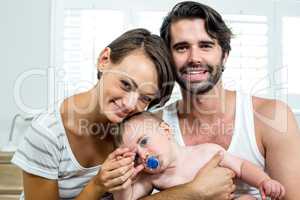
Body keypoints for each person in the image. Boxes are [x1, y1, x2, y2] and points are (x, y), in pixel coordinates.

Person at [141, 1, 300, 199]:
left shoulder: (271, 116)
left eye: (206, 45)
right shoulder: (150, 126)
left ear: (224, 55)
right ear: (168, 58)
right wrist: (193, 193)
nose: (194, 58)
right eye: (181, 48)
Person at [11, 28, 179, 200]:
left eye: (145, 98)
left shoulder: (136, 132)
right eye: (126, 84)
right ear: (104, 60)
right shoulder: (48, 133)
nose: (129, 105)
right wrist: (97, 185)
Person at [112, 112, 285, 200]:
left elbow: (240, 166)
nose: (143, 155)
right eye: (134, 156)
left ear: (165, 130)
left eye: (144, 142)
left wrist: (263, 181)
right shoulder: (151, 178)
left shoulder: (206, 152)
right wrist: (122, 183)